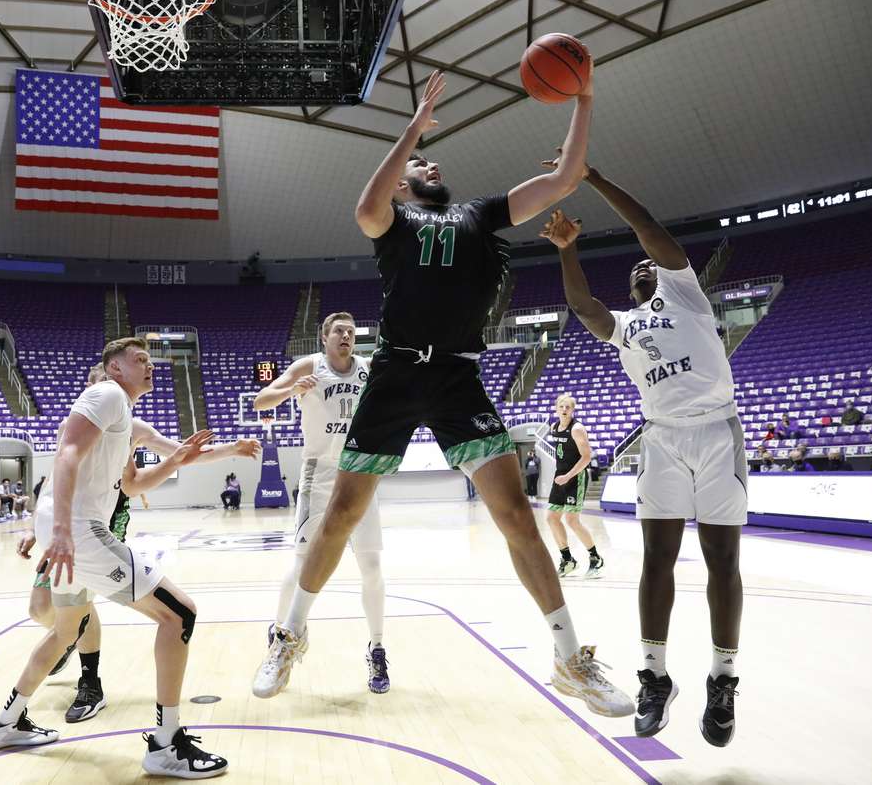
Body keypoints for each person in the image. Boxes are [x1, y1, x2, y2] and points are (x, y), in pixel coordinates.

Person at [252, 70, 633, 718]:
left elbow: (566, 177)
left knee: (515, 513)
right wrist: (411, 129)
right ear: (403, 179)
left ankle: (570, 657)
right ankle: (288, 635)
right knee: (339, 514)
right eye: (415, 162)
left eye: (430, 158)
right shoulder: (394, 220)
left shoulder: (480, 214)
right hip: (396, 374)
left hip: (457, 375)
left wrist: (586, 96)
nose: (427, 162)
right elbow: (364, 208)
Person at [545, 156, 744, 746]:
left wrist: (595, 179)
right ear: (630, 291)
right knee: (656, 560)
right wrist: (566, 247)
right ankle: (655, 677)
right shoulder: (627, 327)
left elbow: (648, 228)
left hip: (715, 433)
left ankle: (723, 678)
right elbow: (583, 307)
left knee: (721, 562)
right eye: (633, 271)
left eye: (648, 263)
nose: (641, 266)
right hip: (660, 438)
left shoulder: (686, 295)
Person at [0, 338, 231, 779]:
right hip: (77, 529)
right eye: (139, 360)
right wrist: (59, 530)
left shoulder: (124, 418)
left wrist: (216, 452)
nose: (149, 366)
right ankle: (166, 745)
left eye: (151, 361)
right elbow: (67, 452)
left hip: (71, 527)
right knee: (180, 615)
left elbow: (132, 484)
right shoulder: (108, 394)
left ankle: (5, 722)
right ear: (114, 369)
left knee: (66, 630)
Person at [16, 361, 260, 729]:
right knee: (41, 610)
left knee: (85, 613)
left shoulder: (131, 428)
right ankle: (62, 648)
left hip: (98, 530)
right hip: (66, 528)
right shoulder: (82, 421)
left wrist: (231, 450)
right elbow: (54, 482)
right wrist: (40, 528)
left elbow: (142, 478)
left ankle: (89, 680)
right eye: (95, 385)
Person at [253, 311, 390, 694]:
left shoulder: (368, 368)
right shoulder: (308, 366)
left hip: (360, 471)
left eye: (351, 331)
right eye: (339, 331)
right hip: (321, 473)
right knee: (301, 565)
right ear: (324, 338)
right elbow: (262, 401)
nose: (346, 336)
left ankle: (377, 648)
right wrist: (291, 391)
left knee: (372, 565)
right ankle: (280, 635)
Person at [545, 394, 603, 579]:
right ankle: (568, 559)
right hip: (560, 477)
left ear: (573, 410)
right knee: (552, 518)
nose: (564, 409)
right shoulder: (553, 427)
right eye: (561, 406)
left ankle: (595, 558)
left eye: (568, 407)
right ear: (556, 408)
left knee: (572, 520)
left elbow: (586, 457)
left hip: (575, 477)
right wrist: (561, 476)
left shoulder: (577, 428)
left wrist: (568, 476)